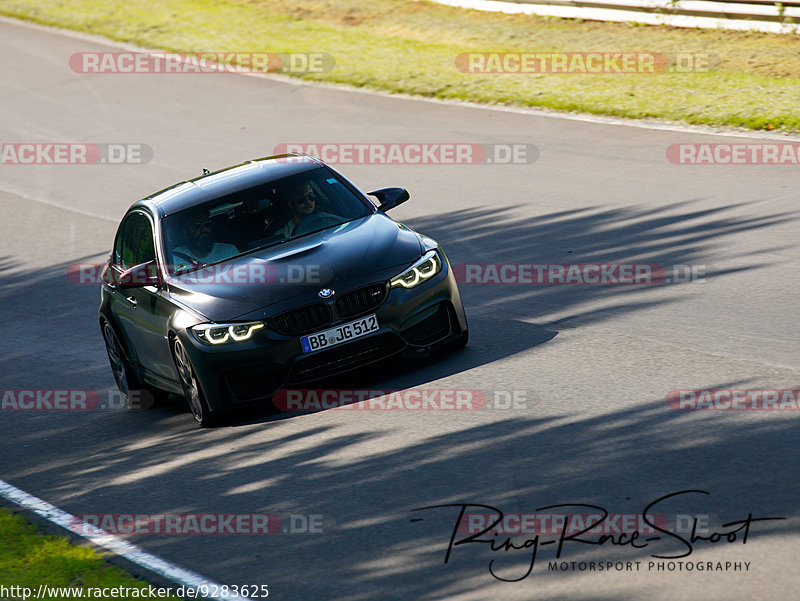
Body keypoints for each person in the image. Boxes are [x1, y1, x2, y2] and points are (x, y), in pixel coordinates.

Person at [171, 207, 239, 273]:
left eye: (207, 225)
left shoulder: (229, 251)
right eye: (197, 226)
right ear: (185, 232)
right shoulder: (175, 258)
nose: (204, 230)